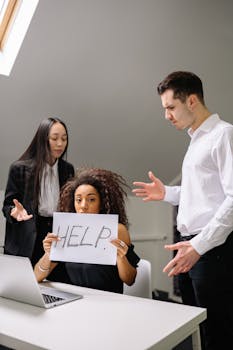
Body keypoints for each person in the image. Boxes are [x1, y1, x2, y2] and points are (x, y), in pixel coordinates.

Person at [132, 71, 233, 350]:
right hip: (193, 245)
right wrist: (168, 193)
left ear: (191, 101)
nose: (167, 116)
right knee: (196, 327)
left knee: (218, 332)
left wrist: (198, 246)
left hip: (213, 249)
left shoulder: (223, 134)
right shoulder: (195, 139)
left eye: (170, 107)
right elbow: (202, 194)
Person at [34, 167, 140, 293]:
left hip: (109, 302)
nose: (83, 206)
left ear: (102, 203)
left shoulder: (117, 230)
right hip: (77, 301)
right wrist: (49, 254)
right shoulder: (66, 230)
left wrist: (121, 258)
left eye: (91, 199)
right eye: (78, 200)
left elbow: (130, 280)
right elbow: (36, 277)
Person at [2, 117, 75, 266]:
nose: (60, 144)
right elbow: (7, 206)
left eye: (64, 139)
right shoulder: (19, 169)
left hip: (56, 235)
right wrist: (14, 212)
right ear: (42, 139)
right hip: (28, 235)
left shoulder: (67, 170)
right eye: (54, 138)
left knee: (55, 285)